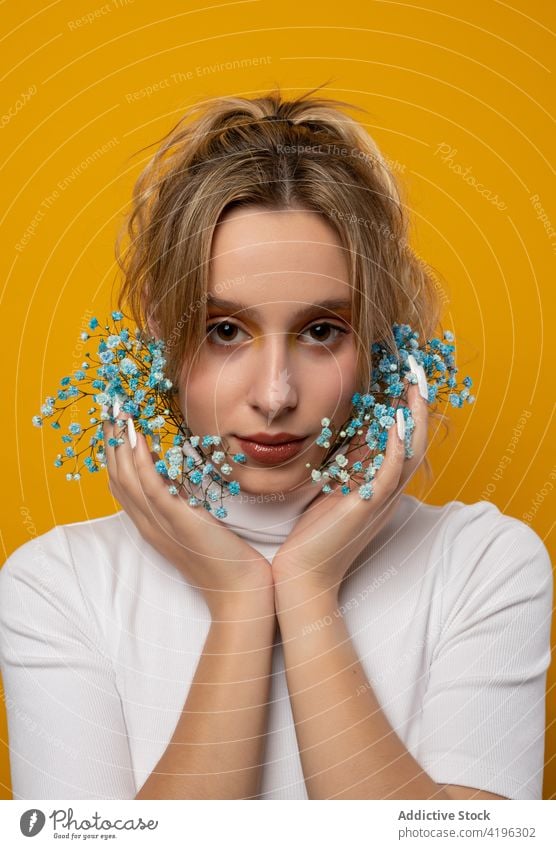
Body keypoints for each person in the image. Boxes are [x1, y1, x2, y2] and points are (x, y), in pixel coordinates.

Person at [0, 86, 552, 801]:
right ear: (159, 330)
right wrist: (237, 601)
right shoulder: (58, 586)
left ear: (378, 340)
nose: (274, 394)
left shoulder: (484, 566)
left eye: (322, 330)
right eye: (224, 330)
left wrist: (307, 584)